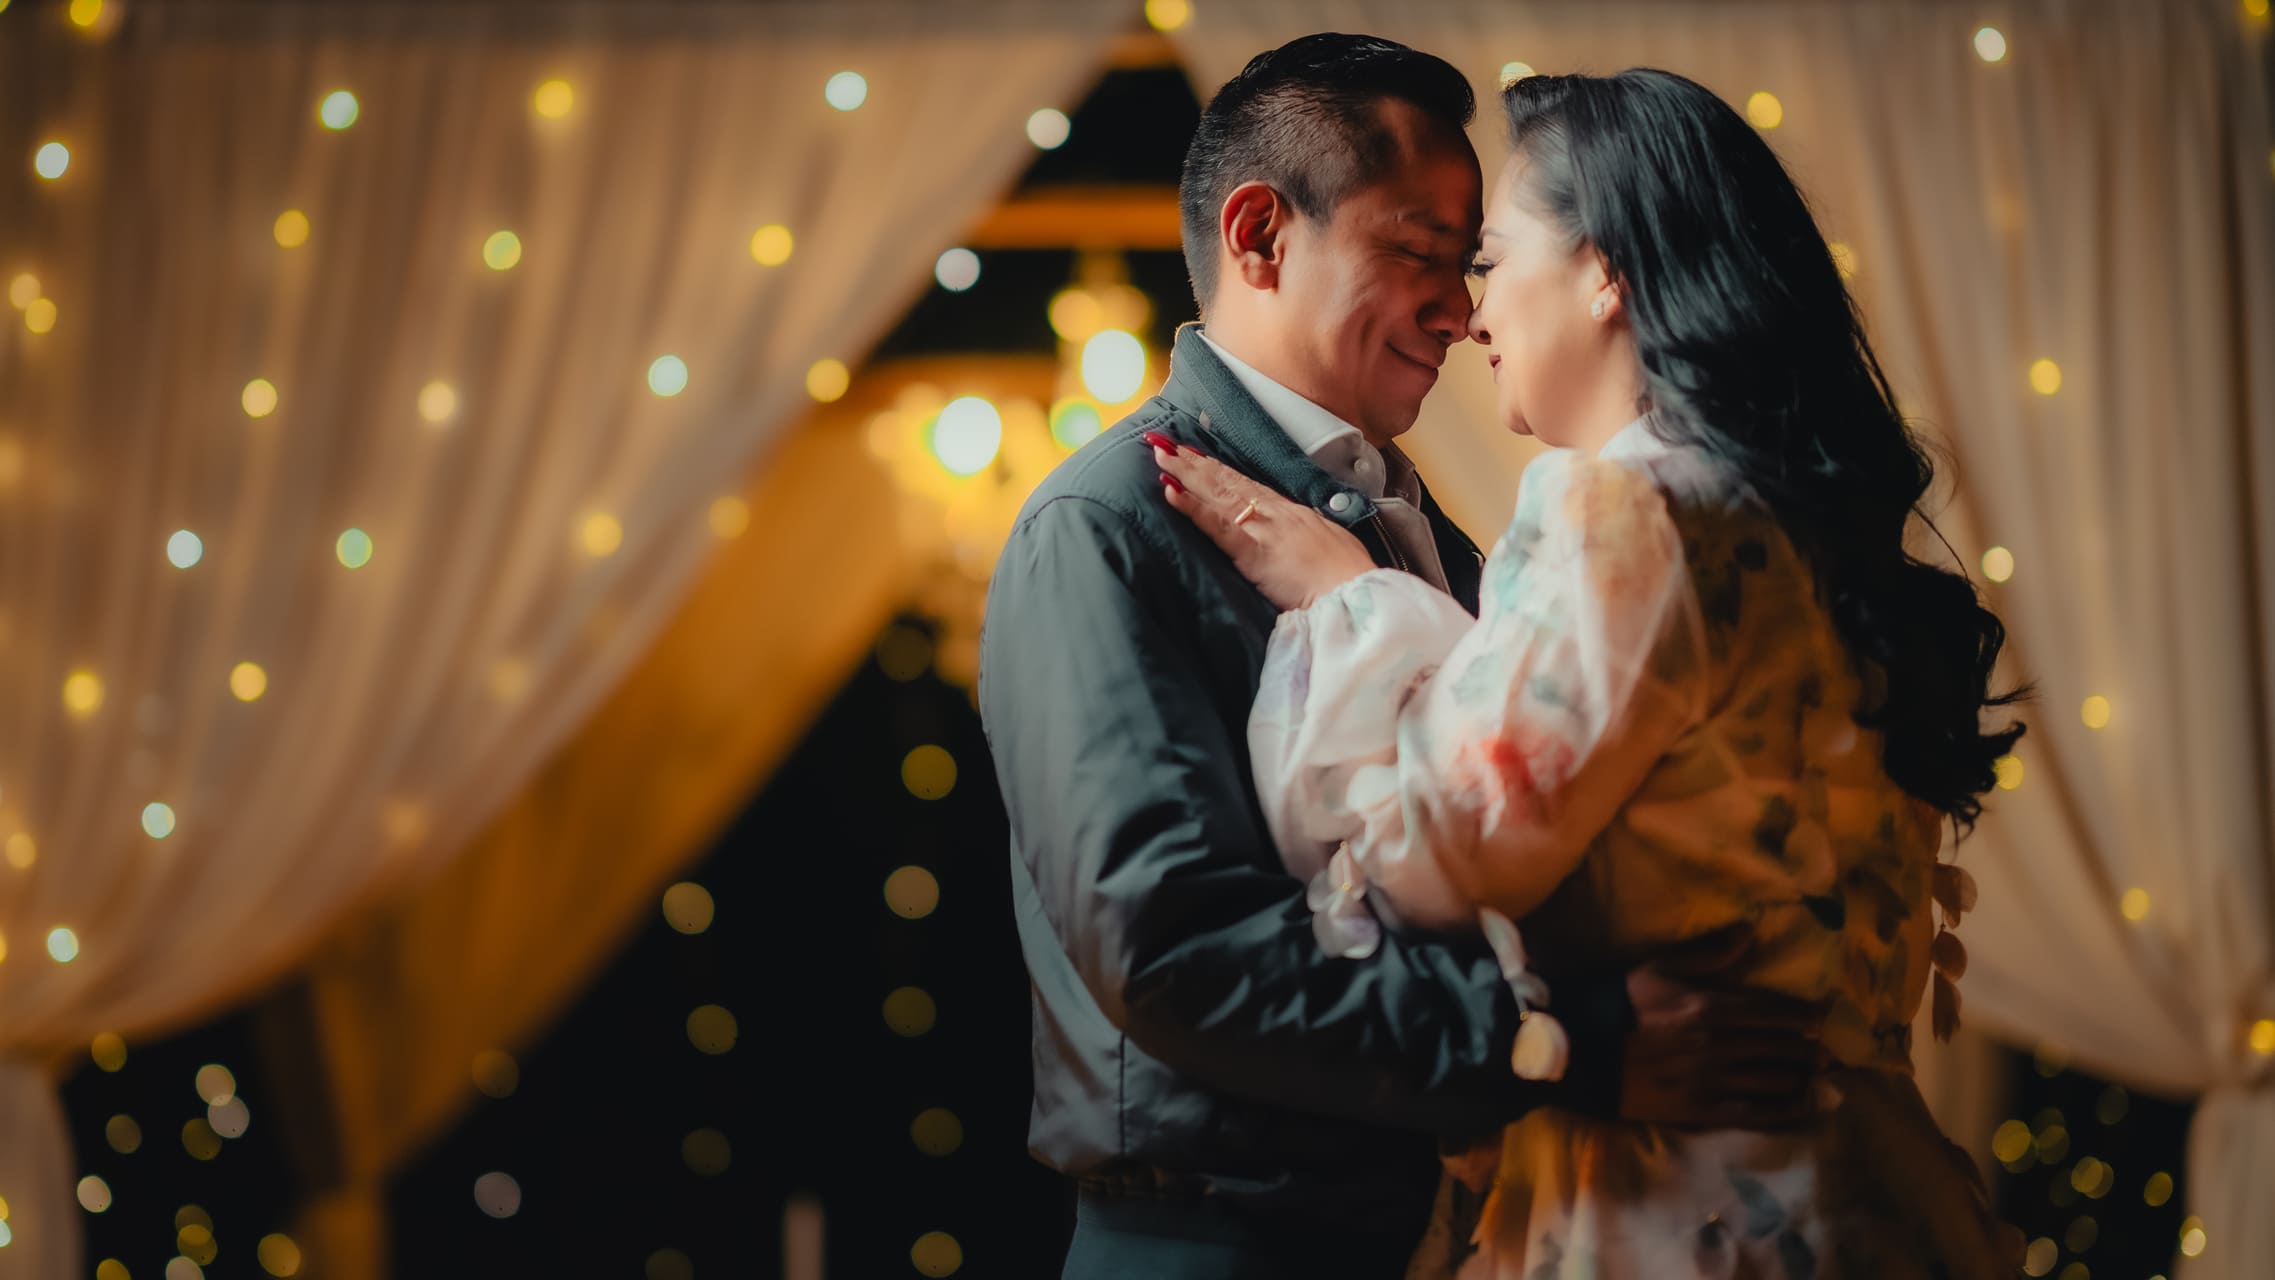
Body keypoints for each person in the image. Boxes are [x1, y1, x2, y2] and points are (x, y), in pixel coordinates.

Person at [1153, 66, 2029, 1278]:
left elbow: (1425, 854)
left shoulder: (1623, 509)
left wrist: (1352, 600)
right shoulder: (1810, 529)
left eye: (1492, 260)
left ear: (1605, 270)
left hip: (1684, 1222)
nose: (1471, 316)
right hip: (1881, 1202)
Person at [979, 36, 1826, 1280]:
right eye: (1421, 253)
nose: (1461, 310)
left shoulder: (1435, 529)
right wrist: (1555, 1040)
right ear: (1260, 235)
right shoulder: (1105, 527)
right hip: (1222, 1244)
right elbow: (1171, 948)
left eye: (1472, 262)